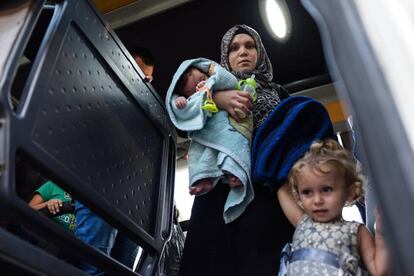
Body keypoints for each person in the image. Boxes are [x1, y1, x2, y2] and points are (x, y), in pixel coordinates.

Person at [178, 25, 292, 276]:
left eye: (250, 46)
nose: (243, 52)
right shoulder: (208, 87)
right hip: (217, 190)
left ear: (260, 53)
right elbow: (181, 119)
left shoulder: (279, 93)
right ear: (224, 56)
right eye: (234, 48)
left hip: (265, 190)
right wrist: (216, 99)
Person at [74, 47, 156, 274]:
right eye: (139, 72)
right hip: (100, 189)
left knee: (123, 268)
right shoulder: (97, 92)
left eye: (147, 77)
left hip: (132, 199)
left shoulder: (145, 108)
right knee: (94, 263)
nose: (144, 80)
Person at [277, 139, 390, 275]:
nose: (317, 200)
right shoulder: (302, 221)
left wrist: (382, 233)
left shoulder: (357, 231)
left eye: (326, 189)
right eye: (307, 192)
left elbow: (378, 271)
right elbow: (281, 190)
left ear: (349, 192)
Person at [166, 58, 254, 223]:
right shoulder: (197, 95)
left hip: (228, 130)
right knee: (198, 154)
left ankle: (236, 173)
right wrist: (184, 102)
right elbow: (185, 117)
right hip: (207, 134)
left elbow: (226, 80)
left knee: (232, 147)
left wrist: (213, 88)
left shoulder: (221, 78)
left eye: (202, 80)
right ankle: (204, 178)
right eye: (234, 48)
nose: (242, 53)